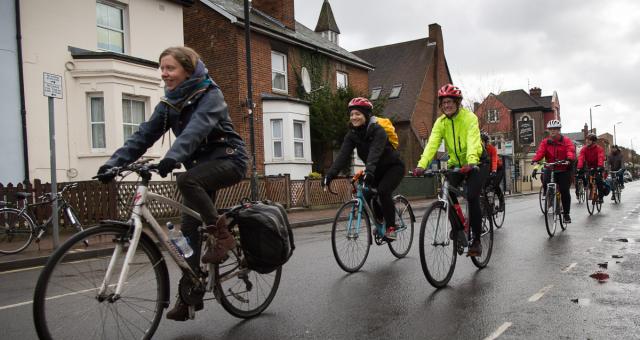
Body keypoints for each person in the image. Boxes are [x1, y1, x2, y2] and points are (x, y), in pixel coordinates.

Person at [96, 46, 248, 321]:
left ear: (188, 70)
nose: (164, 73)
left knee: (186, 179)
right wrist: (113, 163)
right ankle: (190, 296)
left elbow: (197, 128)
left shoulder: (210, 95)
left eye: (170, 68)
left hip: (230, 159)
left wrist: (173, 156)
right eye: (162, 68)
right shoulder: (169, 105)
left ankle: (223, 236)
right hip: (201, 169)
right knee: (184, 238)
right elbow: (143, 136)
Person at [412, 84, 488, 256]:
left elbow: (473, 141)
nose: (447, 105)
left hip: (477, 162)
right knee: (447, 193)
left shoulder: (469, 118)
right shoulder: (441, 122)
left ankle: (476, 240)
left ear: (458, 102)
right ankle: (459, 226)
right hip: (456, 164)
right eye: (444, 102)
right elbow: (432, 144)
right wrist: (421, 165)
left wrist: (471, 161)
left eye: (450, 101)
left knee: (472, 196)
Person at [322, 97, 405, 240]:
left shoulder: (378, 131)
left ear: (366, 115)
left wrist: (369, 170)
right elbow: (342, 156)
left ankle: (391, 227)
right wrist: (330, 175)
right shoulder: (352, 135)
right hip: (374, 170)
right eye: (352, 114)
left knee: (383, 191)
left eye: (358, 114)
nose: (354, 117)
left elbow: (375, 152)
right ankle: (379, 221)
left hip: (393, 167)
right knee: (366, 193)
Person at [531, 119, 575, 223]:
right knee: (546, 181)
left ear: (559, 130)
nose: (552, 131)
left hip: (563, 168)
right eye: (550, 129)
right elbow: (540, 152)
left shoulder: (566, 141)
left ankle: (566, 214)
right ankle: (550, 198)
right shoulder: (545, 142)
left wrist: (569, 159)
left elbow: (570, 150)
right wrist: (535, 160)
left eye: (555, 129)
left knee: (564, 190)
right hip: (550, 168)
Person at [577, 133, 608, 203]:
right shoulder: (584, 149)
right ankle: (591, 189)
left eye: (589, 140)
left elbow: (600, 157)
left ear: (593, 141)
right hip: (590, 167)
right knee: (587, 178)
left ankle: (600, 197)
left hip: (598, 166)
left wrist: (600, 166)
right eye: (586, 140)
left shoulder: (599, 149)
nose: (587, 141)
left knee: (599, 180)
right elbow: (581, 158)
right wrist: (579, 167)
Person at [481, 132, 504, 201]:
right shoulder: (479, 150)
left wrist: (494, 170)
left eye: (482, 141)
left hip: (498, 169)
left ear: (486, 142)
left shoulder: (491, 149)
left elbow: (494, 160)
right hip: (487, 169)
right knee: (483, 186)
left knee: (494, 185)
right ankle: (486, 205)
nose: (481, 143)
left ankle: (501, 201)